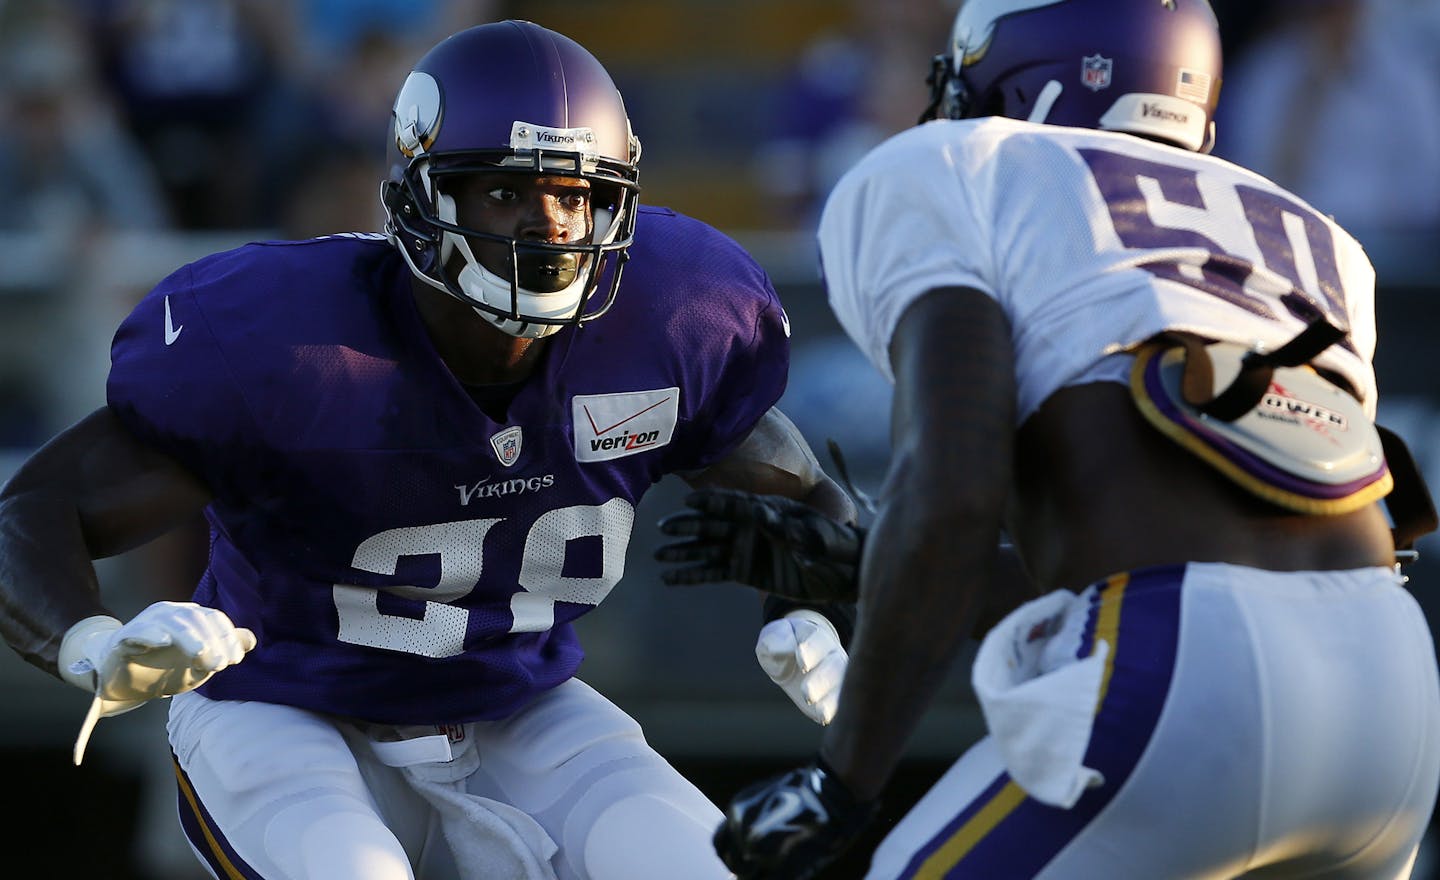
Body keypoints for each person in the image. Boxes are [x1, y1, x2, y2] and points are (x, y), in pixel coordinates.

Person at [0, 20, 858, 880]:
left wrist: (805, 603)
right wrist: (95, 650)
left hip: (517, 707)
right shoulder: (295, 345)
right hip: (284, 709)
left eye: (575, 193)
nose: (550, 227)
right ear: (420, 198)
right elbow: (36, 511)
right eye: (504, 194)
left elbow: (801, 495)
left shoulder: (671, 317)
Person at [656, 1, 1440, 877]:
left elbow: (955, 494)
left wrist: (844, 780)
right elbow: (1200, 551)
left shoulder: (968, 165)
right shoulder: (1318, 241)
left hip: (1190, 677)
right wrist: (865, 565)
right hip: (1394, 692)